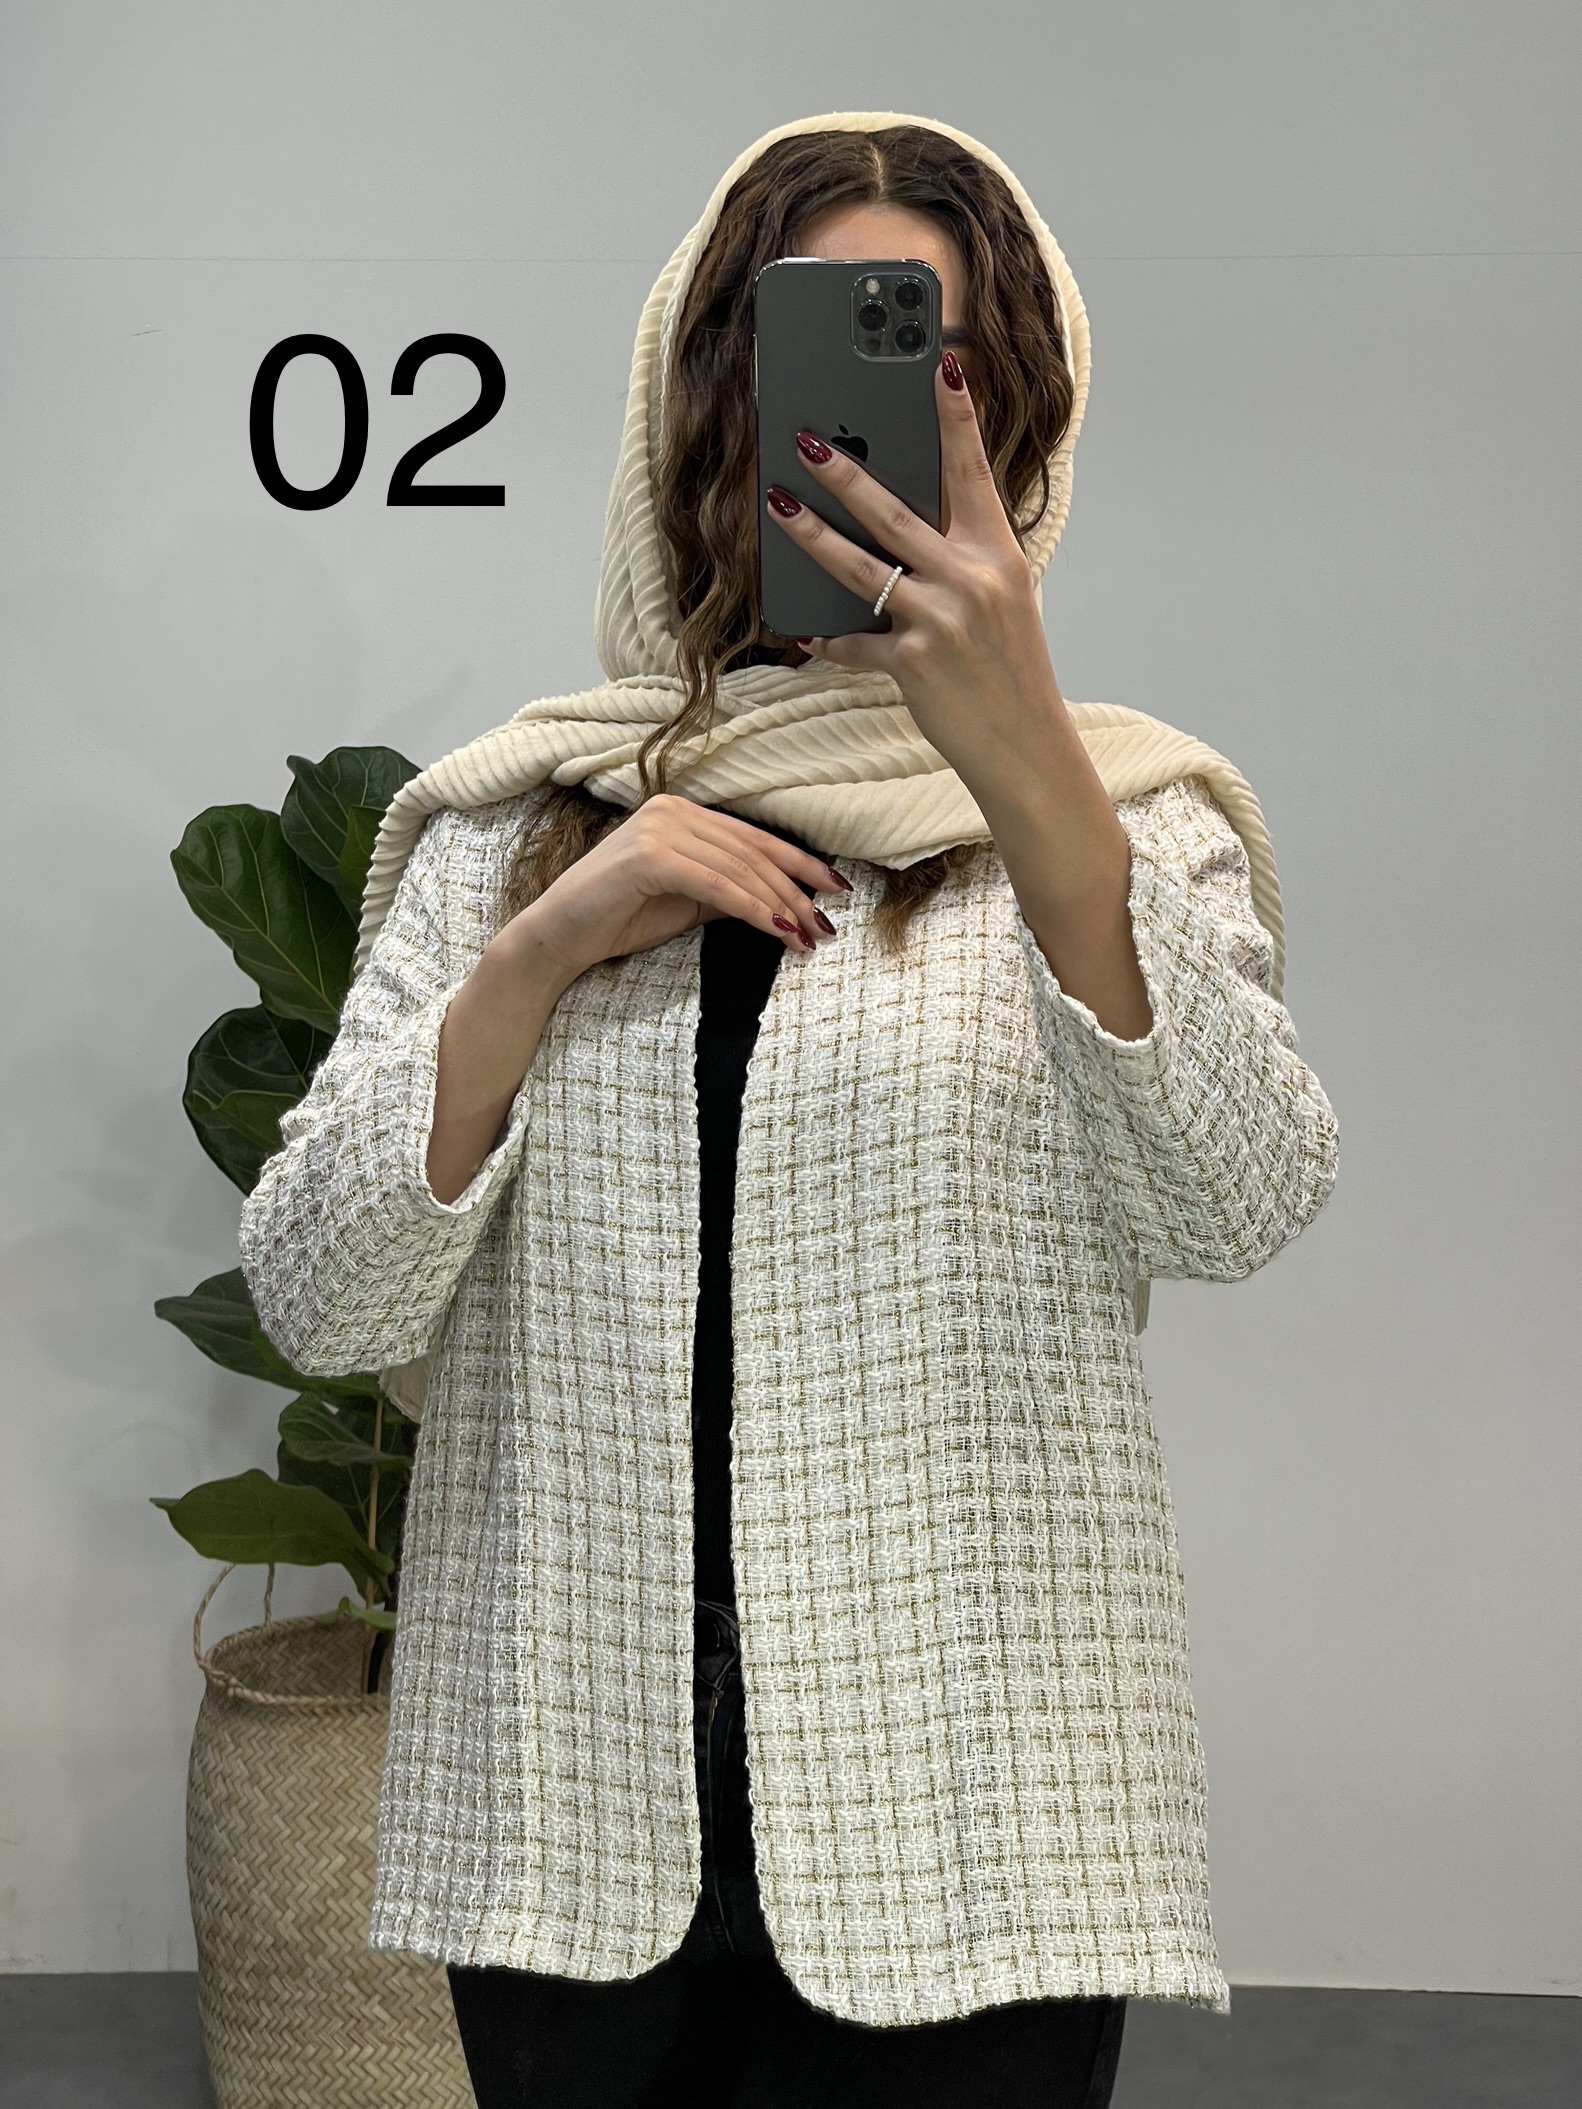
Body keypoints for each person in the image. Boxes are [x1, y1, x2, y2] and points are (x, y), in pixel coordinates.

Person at [240, 111, 1339, 2109]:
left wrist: (1030, 775)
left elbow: (1239, 1195)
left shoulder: (1123, 820)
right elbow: (320, 1294)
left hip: (974, 1815)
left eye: (944, 368)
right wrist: (541, 947)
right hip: (569, 1814)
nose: (879, 428)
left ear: (1021, 427)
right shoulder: (507, 824)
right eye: (815, 353)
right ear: (704, 404)